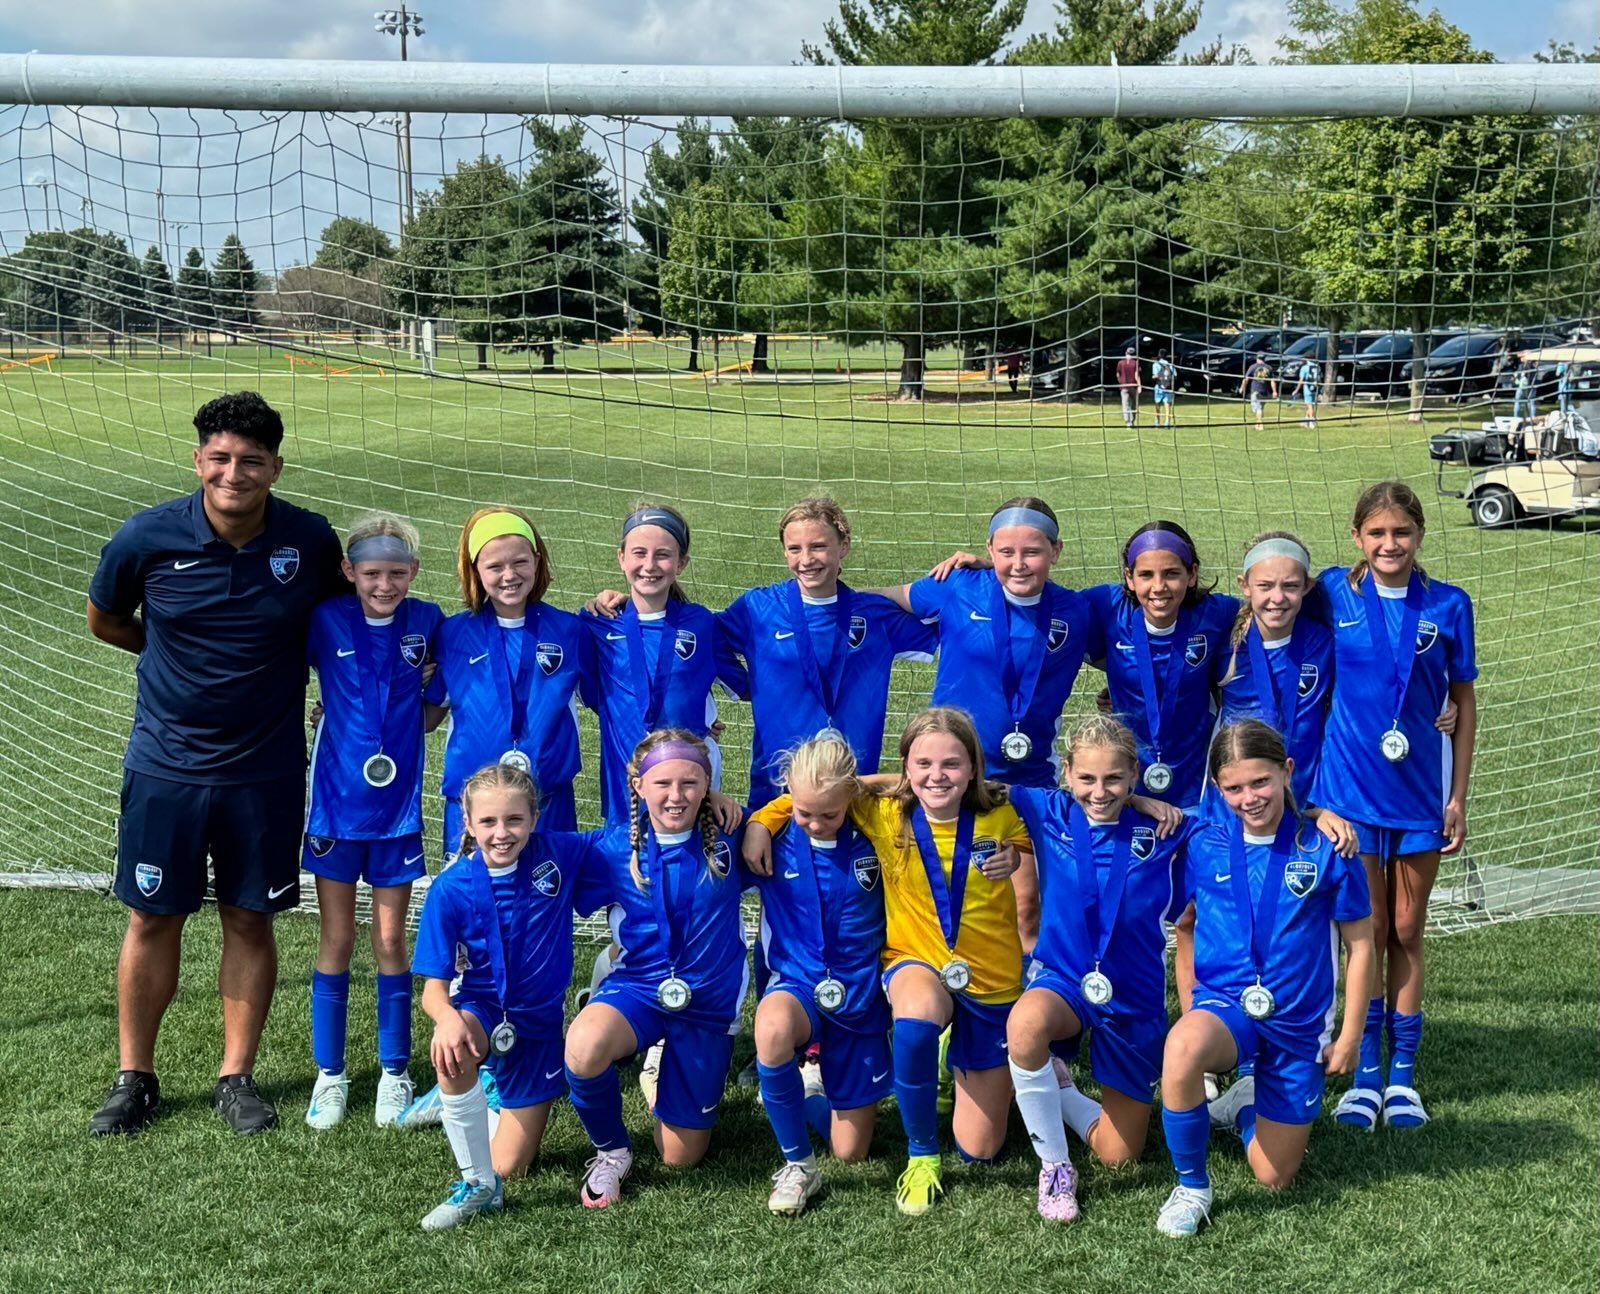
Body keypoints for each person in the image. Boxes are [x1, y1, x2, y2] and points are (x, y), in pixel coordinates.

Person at [86, 390, 344, 1137]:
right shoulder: (148, 537)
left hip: (264, 769)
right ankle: (134, 1075)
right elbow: (106, 618)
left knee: (249, 918)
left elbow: (339, 620)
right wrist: (167, 660)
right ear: (199, 460)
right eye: (221, 458)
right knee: (151, 917)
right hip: (165, 765)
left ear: (275, 468)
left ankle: (237, 1075)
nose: (235, 473)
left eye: (252, 461)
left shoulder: (310, 541)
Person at [748, 707, 1030, 1216]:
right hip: (915, 960)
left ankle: (965, 1073)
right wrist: (761, 821)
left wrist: (1017, 856)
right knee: (915, 1026)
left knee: (982, 1150)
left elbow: (1083, 803)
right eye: (922, 764)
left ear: (973, 766)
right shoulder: (882, 812)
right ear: (904, 768)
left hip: (992, 978)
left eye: (951, 763)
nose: (936, 775)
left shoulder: (1007, 812)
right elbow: (822, 795)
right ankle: (922, 1153)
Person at [1154, 720, 1375, 1238]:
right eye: (1233, 787)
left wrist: (1350, 1036)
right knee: (1183, 1047)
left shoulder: (1328, 847)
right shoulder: (1202, 842)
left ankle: (1244, 1103)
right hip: (1227, 1006)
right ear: (1216, 789)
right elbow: (1183, 921)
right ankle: (1191, 1186)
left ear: (1287, 772)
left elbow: (1361, 947)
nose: (1248, 797)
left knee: (1275, 1177)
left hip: (1299, 1026)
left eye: (1260, 783)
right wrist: (1192, 1007)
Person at [1307, 482, 1477, 1133]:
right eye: (1376, 533)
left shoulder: (1449, 605)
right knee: (1367, 933)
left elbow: (1464, 707)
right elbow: (1268, 599)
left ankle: (1403, 1073)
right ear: (1357, 537)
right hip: (1349, 798)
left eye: (1400, 533)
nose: (1389, 544)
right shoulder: (1332, 593)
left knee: (1407, 929)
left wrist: (1457, 794)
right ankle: (1367, 1073)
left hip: (1420, 799)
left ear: (1419, 535)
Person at [1005, 716, 1192, 1222]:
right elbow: (953, 783)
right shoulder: (1047, 810)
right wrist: (771, 815)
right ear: (1066, 773)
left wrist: (1316, 813)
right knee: (1024, 1024)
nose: (1099, 791)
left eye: (1113, 779)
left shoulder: (1168, 828)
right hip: (1063, 980)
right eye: (1086, 778)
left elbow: (1251, 815)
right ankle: (1055, 1168)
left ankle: (1059, 1089)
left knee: (1119, 1154)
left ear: (1135, 773)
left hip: (1133, 998)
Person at [410, 763, 610, 1231]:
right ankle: (477, 1185)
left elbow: (624, 836)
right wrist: (448, 1019)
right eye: (489, 822)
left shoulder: (559, 853)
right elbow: (434, 992)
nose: (502, 833)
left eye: (514, 820)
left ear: (535, 817)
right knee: (452, 1048)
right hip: (481, 1009)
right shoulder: (450, 889)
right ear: (468, 823)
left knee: (513, 1167)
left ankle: (480, 1097)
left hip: (538, 1029)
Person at [563, 730, 748, 1209]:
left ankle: (657, 1067)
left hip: (706, 1004)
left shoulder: (735, 834)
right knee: (583, 1047)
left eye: (690, 783)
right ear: (638, 786)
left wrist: (765, 820)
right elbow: (528, 851)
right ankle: (612, 1153)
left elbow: (809, 809)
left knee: (680, 1158)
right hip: (641, 989)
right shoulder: (609, 849)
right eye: (662, 783)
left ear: (708, 785)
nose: (676, 795)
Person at [303, 512, 445, 1130]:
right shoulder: (326, 618)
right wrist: (322, 716)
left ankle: (394, 1072)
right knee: (336, 938)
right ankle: (329, 1075)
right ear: (349, 572)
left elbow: (436, 707)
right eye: (372, 573)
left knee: (391, 940)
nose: (384, 585)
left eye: (396, 573)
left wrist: (416, 709)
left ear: (412, 573)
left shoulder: (429, 621)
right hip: (334, 806)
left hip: (397, 811)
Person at [744, 736, 892, 1215]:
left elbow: (916, 783)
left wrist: (861, 789)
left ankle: (808, 1090)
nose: (813, 822)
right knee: (771, 1027)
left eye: (828, 813)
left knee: (851, 1152)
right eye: (803, 810)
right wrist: (760, 820)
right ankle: (797, 1165)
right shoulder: (773, 837)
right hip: (799, 986)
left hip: (861, 996)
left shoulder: (879, 831)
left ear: (852, 796)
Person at [716, 496, 934, 809]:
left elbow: (954, 623)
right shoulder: (757, 609)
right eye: (794, 549)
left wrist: (980, 574)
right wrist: (744, 686)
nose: (806, 559)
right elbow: (701, 639)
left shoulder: (875, 616)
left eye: (818, 546)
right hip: (775, 791)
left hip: (852, 789)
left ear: (843, 545)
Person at [423, 506, 593, 847]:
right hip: (474, 805)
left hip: (549, 800)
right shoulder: (452, 634)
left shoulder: (571, 630)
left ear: (537, 560)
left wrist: (701, 718)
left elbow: (616, 700)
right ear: (475, 571)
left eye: (519, 562)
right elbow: (427, 719)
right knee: (475, 897)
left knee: (549, 894)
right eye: (495, 566)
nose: (509, 574)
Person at [583, 502, 744, 824]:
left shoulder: (701, 624)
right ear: (621, 558)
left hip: (688, 782)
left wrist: (703, 722)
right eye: (639, 553)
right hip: (624, 784)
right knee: (627, 869)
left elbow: (749, 685)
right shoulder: (595, 624)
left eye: (663, 555)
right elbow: (589, 693)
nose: (650, 565)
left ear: (682, 563)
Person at [1240, 352, 1277, 430]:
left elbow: (1246, 379)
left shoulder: (1252, 367)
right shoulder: (1269, 367)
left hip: (1255, 391)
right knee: (1259, 408)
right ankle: (1257, 424)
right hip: (1265, 391)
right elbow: (1272, 381)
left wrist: (1242, 388)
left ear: (1257, 358)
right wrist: (1274, 391)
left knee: (1257, 409)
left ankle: (1261, 425)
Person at [1116, 346, 1142, 428]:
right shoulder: (1135, 363)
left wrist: (1120, 382)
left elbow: (1117, 374)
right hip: (1133, 386)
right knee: (1133, 404)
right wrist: (1139, 386)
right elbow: (1136, 375)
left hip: (1124, 386)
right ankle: (1132, 420)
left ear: (1126, 353)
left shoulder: (1120, 363)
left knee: (1125, 405)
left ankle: (1128, 422)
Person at [1151, 350, 1177, 428]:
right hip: (1168, 387)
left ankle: (1157, 422)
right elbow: (1175, 376)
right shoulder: (1170, 364)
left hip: (1159, 387)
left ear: (1158, 355)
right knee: (1167, 404)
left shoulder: (1156, 364)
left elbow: (1155, 376)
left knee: (1157, 404)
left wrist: (1158, 376)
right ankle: (1167, 422)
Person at [1292, 355, 1319, 429]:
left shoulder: (1304, 367)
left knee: (1309, 405)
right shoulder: (1317, 367)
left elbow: (1301, 380)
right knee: (1310, 405)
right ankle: (1305, 420)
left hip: (1307, 388)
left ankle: (1311, 421)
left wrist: (1296, 390)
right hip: (1315, 388)